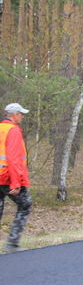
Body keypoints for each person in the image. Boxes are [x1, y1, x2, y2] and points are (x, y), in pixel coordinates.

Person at [0, 103, 32, 253]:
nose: (22, 116)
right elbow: (13, 159)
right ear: (13, 115)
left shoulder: (1, 128)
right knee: (25, 204)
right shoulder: (13, 131)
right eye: (20, 113)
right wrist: (16, 183)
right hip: (8, 178)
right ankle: (12, 243)